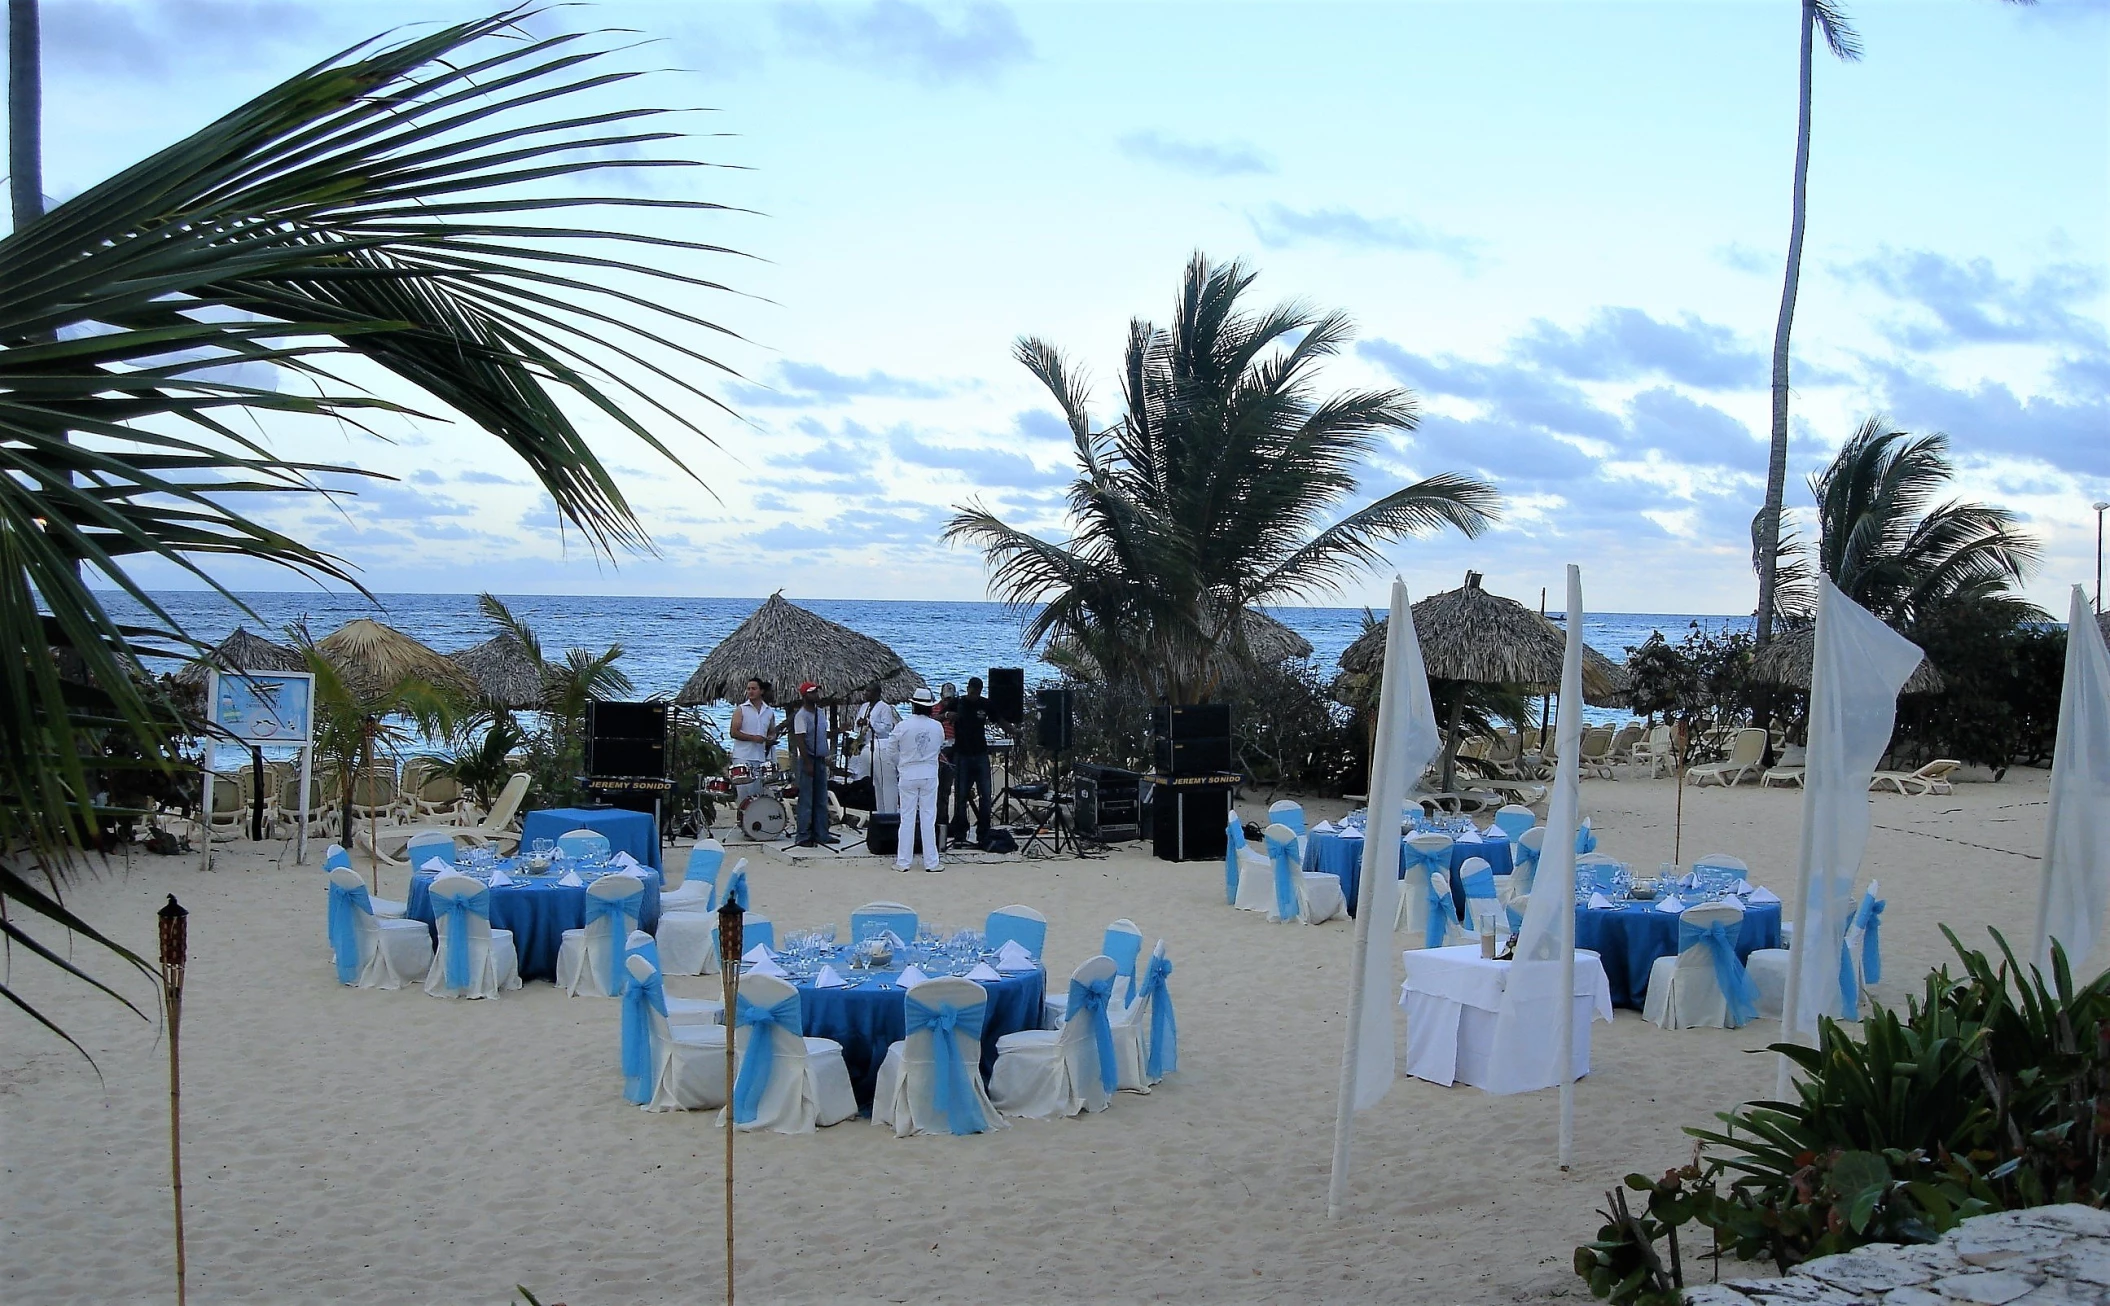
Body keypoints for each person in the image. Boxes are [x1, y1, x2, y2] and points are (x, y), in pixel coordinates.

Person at [893, 687, 946, 872]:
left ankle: (903, 862)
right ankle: (931, 862)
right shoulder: (937, 727)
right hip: (929, 774)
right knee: (928, 818)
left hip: (908, 773)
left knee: (906, 818)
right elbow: (939, 746)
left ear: (913, 705)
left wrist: (900, 764)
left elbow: (891, 749)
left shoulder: (903, 726)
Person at [947, 675, 993, 848]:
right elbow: (938, 716)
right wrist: (947, 714)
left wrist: (1012, 730)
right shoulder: (958, 703)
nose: (973, 695)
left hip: (980, 753)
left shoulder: (985, 704)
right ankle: (960, 832)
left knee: (986, 795)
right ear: (967, 689)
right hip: (962, 754)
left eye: (977, 693)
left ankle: (984, 832)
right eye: (971, 692)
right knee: (960, 795)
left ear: (981, 691)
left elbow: (999, 719)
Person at [789, 681, 836, 847]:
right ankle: (803, 835)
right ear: (805, 696)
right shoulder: (801, 715)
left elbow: (823, 734)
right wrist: (807, 763)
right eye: (812, 692)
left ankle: (821, 833)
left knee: (821, 799)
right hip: (809, 760)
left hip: (821, 759)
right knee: (807, 800)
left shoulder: (820, 713)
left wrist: (839, 731)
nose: (816, 695)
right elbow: (800, 741)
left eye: (817, 692)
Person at [729, 678, 777, 804]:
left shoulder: (769, 711)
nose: (750, 691)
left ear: (761, 691)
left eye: (754, 689)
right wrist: (754, 738)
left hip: (760, 758)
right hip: (743, 756)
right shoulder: (741, 709)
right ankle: (742, 821)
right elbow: (734, 732)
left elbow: (772, 731)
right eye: (748, 689)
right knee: (744, 797)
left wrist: (771, 738)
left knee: (757, 796)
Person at [849, 683, 898, 783]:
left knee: (873, 773)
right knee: (859, 770)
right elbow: (856, 726)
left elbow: (887, 728)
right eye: (865, 691)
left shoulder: (884, 708)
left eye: (868, 691)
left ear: (877, 693)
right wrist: (859, 723)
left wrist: (871, 724)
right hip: (862, 743)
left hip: (877, 745)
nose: (865, 693)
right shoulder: (864, 706)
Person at [934, 680, 958, 832]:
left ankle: (947, 823)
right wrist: (945, 715)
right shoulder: (934, 709)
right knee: (937, 791)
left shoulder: (958, 709)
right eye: (945, 698)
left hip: (953, 752)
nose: (948, 701)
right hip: (937, 754)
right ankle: (937, 823)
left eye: (950, 699)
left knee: (947, 790)